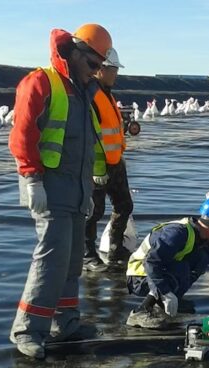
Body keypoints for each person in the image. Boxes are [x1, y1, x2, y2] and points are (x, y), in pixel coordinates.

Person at [8, 23, 112, 359]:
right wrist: (31, 179)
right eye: (93, 64)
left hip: (77, 188)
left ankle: (65, 322)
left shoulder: (84, 91)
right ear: (75, 53)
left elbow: (90, 139)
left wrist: (96, 176)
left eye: (100, 67)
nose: (96, 72)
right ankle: (28, 329)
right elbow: (22, 134)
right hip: (50, 187)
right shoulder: (42, 82)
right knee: (50, 259)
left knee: (70, 262)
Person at [125, 196, 209, 329]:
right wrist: (165, 291)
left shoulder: (199, 236)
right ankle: (141, 311)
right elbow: (151, 262)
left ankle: (171, 300)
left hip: (154, 274)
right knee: (181, 268)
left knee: (202, 259)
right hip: (139, 277)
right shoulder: (176, 234)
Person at [84, 46, 134, 273]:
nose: (116, 73)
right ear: (100, 69)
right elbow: (92, 134)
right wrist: (97, 168)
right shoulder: (92, 94)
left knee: (124, 205)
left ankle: (115, 248)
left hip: (115, 162)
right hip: (98, 166)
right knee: (93, 212)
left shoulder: (106, 93)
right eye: (113, 69)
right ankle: (87, 256)